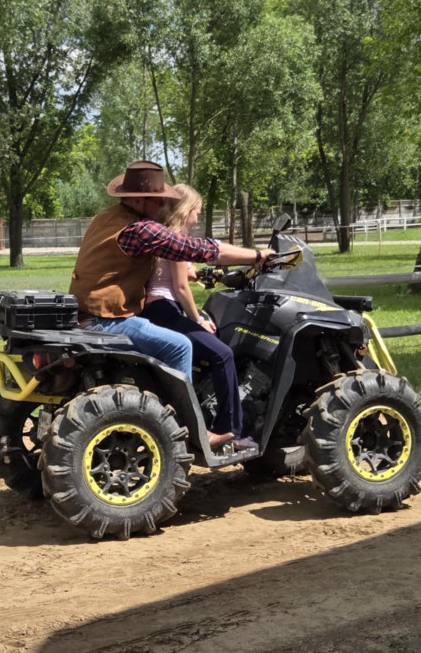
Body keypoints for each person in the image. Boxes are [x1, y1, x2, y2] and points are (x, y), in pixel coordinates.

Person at [68, 160, 273, 449]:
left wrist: (198, 274)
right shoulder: (139, 228)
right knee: (180, 346)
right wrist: (256, 255)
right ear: (140, 199)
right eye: (158, 200)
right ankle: (188, 433)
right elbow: (197, 249)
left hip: (84, 312)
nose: (163, 206)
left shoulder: (105, 219)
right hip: (107, 318)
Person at [140, 184, 255, 451]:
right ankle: (230, 431)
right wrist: (197, 319)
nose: (197, 217)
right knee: (223, 354)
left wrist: (203, 275)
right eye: (197, 212)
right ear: (187, 209)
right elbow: (180, 287)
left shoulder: (161, 234)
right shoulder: (177, 236)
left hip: (154, 310)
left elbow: (184, 273)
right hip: (164, 310)